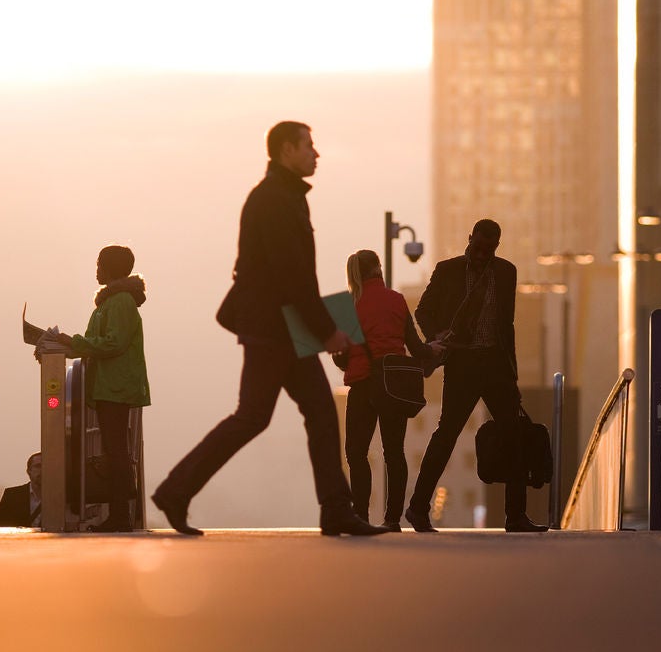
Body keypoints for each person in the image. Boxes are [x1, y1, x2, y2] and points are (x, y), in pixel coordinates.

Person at [152, 121, 380, 537]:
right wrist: (328, 331)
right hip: (274, 331)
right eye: (309, 146)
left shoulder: (284, 197)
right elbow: (291, 275)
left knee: (317, 413)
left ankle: (335, 509)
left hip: (281, 328)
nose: (317, 154)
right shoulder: (275, 200)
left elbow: (291, 277)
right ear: (287, 150)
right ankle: (175, 491)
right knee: (255, 417)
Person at [406, 219, 546, 533]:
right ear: (469, 239)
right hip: (462, 364)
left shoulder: (506, 272)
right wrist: (438, 337)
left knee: (515, 435)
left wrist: (512, 374)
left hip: (496, 366)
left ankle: (516, 516)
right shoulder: (447, 270)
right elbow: (422, 311)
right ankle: (417, 509)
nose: (481, 254)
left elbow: (506, 326)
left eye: (488, 250)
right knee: (446, 436)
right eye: (477, 247)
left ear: (496, 247)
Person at [49, 245, 150, 532]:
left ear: (110, 268)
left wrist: (73, 342)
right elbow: (95, 343)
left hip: (115, 386)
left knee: (116, 451)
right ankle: (120, 514)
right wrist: (60, 348)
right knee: (113, 449)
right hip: (108, 384)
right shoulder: (110, 302)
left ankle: (121, 516)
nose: (96, 269)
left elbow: (112, 343)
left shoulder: (120, 302)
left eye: (99, 264)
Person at [334, 249, 432, 530]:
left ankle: (361, 517)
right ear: (379, 268)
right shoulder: (397, 301)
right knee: (394, 453)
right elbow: (416, 347)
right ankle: (392, 519)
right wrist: (435, 348)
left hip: (363, 387)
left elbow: (341, 358)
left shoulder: (349, 305)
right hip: (393, 385)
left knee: (356, 453)